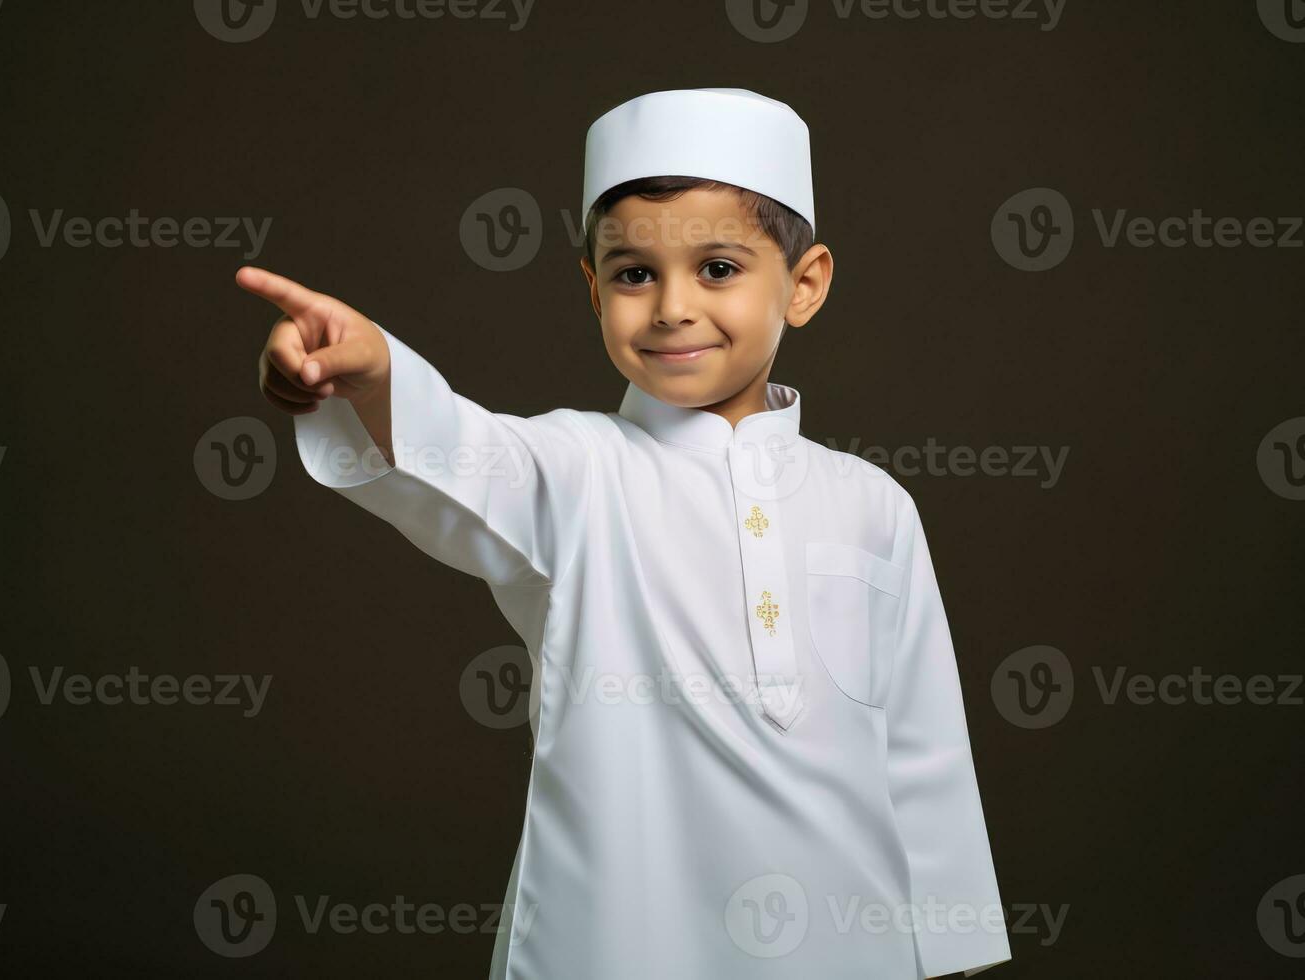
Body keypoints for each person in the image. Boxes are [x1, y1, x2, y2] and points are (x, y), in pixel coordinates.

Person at [237, 87, 1011, 979]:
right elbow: (458, 447)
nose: (672, 307)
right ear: (592, 287)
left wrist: (951, 954)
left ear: (804, 286)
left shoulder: (875, 504)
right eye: (635, 274)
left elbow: (924, 751)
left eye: (718, 268)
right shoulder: (577, 469)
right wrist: (371, 378)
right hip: (618, 942)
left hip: (852, 944)